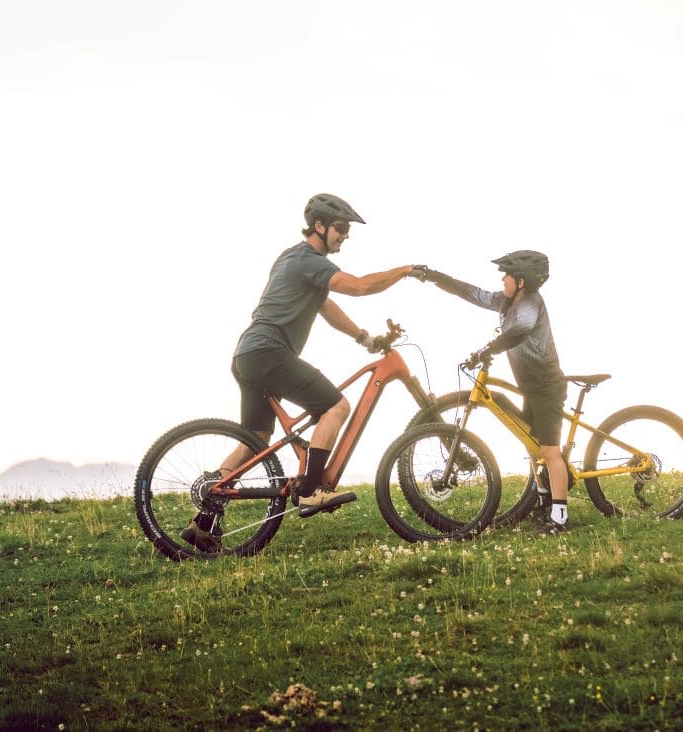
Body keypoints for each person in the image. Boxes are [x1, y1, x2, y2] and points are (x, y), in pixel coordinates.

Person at [181, 193, 416, 552]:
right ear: (319, 226)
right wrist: (405, 271)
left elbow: (326, 306)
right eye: (340, 228)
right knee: (336, 407)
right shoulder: (309, 259)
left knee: (256, 437)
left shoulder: (293, 258)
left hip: (249, 355)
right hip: (269, 352)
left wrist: (364, 338)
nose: (345, 235)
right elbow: (358, 286)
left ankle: (204, 518)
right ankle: (311, 492)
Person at [413, 251, 572, 535]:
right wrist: (434, 277)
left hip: (547, 387)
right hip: (531, 387)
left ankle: (560, 518)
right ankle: (544, 503)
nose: (502, 280)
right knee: (532, 446)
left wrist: (490, 347)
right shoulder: (505, 301)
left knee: (548, 451)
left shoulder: (531, 303)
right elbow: (470, 293)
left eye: (507, 276)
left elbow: (518, 332)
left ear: (521, 281)